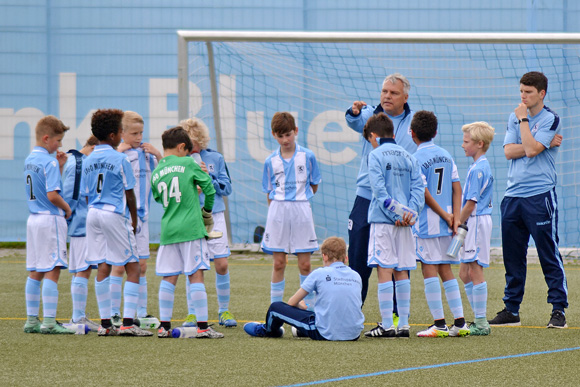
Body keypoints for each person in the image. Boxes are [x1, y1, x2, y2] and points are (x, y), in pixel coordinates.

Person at [490, 71, 568, 328]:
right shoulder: (514, 117)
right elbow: (508, 152)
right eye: (521, 91)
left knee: (548, 254)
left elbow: (533, 150)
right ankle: (512, 310)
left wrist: (525, 125)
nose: (522, 96)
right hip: (513, 196)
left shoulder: (550, 118)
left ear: (541, 94)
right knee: (513, 256)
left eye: (528, 92)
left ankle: (558, 310)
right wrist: (534, 144)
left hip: (540, 196)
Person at [345, 73, 416, 315]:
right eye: (384, 91)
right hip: (366, 198)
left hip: (396, 201)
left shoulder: (412, 125)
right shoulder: (370, 115)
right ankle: (352, 311)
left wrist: (403, 207)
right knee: (357, 260)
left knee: (395, 263)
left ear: (405, 97)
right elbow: (355, 122)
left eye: (393, 93)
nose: (387, 96)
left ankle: (396, 317)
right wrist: (353, 112)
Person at [82, 108, 152, 337]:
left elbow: (86, 194)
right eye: (121, 130)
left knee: (103, 265)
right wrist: (132, 220)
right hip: (113, 213)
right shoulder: (120, 158)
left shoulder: (89, 158)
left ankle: (105, 324)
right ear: (113, 135)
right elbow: (129, 193)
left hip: (93, 213)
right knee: (132, 266)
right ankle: (128, 323)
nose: (123, 133)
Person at [151, 126, 224, 339]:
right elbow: (209, 189)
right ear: (182, 147)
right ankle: (202, 327)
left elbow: (158, 198)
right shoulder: (189, 163)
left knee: (169, 277)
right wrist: (207, 212)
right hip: (191, 228)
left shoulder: (157, 172)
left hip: (168, 230)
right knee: (196, 274)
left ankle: (164, 326)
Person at [363, 113, 424, 338]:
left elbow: (380, 193)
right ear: (393, 133)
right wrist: (409, 214)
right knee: (402, 271)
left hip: (384, 221)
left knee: (385, 269)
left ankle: (387, 324)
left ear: (373, 136)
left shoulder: (375, 155)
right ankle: (405, 325)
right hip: (406, 223)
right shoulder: (409, 156)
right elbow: (419, 189)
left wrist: (396, 214)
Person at [410, 111, 469, 338]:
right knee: (446, 269)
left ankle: (440, 324)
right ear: (435, 132)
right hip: (449, 224)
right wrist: (455, 217)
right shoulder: (446, 155)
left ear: (412, 133)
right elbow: (457, 188)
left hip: (428, 225)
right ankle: (461, 322)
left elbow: (424, 193)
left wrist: (445, 216)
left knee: (428, 269)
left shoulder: (415, 158)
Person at [243, 237, 364, 341]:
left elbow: (292, 302)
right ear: (346, 258)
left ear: (324, 257)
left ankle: (268, 331)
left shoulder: (320, 273)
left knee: (275, 307)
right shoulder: (356, 275)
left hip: (324, 333)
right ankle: (301, 331)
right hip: (354, 335)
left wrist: (301, 307)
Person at [179, 118, 237, 328]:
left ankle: (224, 311)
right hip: (191, 216)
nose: (191, 147)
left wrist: (208, 175)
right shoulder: (179, 161)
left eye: (194, 142)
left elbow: (227, 189)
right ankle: (193, 313)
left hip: (214, 215)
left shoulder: (215, 158)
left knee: (221, 264)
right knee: (194, 266)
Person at [261, 112, 321, 306]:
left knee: (305, 264)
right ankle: (275, 310)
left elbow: (314, 184)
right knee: (279, 263)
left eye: (288, 134)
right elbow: (269, 191)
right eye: (280, 136)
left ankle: (309, 311)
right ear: (273, 135)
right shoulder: (270, 161)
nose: (285, 140)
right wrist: (278, 211)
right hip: (278, 212)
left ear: (295, 131)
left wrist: (298, 199)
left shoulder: (308, 156)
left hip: (301, 211)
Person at [23, 115, 75, 334]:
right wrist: (67, 208)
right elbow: (53, 195)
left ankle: (32, 320)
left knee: (35, 270)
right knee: (53, 269)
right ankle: (50, 322)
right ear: (46, 138)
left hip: (33, 219)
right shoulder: (49, 161)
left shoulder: (30, 159)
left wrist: (60, 168)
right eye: (58, 141)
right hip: (49, 219)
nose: (60, 145)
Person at [110, 111, 161, 327]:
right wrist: (119, 151)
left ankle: (141, 312)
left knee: (141, 265)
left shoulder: (147, 155)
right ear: (122, 133)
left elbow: (162, 176)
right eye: (134, 133)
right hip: (122, 216)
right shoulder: (119, 155)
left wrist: (158, 154)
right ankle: (113, 313)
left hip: (143, 217)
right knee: (119, 266)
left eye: (141, 133)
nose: (139, 137)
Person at [458, 121, 495, 336]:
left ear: (479, 144)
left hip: (476, 221)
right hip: (471, 221)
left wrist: (456, 223)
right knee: (464, 273)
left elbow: (471, 203)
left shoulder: (479, 168)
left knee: (475, 268)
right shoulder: (477, 166)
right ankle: (478, 319)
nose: (463, 145)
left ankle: (481, 322)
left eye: (466, 141)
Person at [63, 134, 101, 332]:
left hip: (85, 224)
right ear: (94, 147)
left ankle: (79, 316)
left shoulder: (80, 161)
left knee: (84, 268)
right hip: (81, 224)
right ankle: (78, 317)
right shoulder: (78, 163)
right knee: (83, 269)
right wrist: (68, 217)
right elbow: (70, 194)